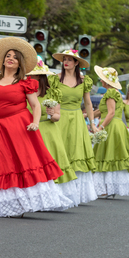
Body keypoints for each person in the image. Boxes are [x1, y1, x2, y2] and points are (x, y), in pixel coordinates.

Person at [0, 37, 72, 217]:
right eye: (8, 55)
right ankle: (9, 204)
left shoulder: (24, 81)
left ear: (19, 63)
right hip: (0, 126)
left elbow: (36, 106)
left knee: (24, 161)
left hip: (21, 124)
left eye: (15, 57)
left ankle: (27, 201)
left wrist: (35, 122)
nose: (11, 58)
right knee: (2, 161)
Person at [26, 58, 78, 207]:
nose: (31, 78)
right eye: (30, 75)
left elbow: (57, 117)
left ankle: (52, 199)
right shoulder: (24, 91)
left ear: (41, 77)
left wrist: (50, 113)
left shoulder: (52, 93)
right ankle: (35, 199)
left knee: (49, 164)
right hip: (30, 132)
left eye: (34, 75)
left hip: (48, 132)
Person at [49, 49, 98, 204]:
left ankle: (73, 193)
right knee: (59, 151)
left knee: (75, 152)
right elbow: (49, 99)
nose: (66, 62)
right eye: (64, 59)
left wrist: (92, 124)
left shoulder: (84, 81)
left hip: (77, 118)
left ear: (76, 63)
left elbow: (88, 103)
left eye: (70, 59)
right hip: (59, 117)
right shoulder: (55, 79)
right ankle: (56, 192)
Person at [93, 66, 129, 197]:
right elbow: (103, 111)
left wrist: (100, 127)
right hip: (116, 125)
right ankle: (110, 188)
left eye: (102, 78)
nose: (100, 80)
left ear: (106, 80)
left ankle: (107, 188)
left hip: (111, 125)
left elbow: (110, 113)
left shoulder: (111, 93)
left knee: (107, 155)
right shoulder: (114, 92)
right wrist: (87, 115)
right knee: (111, 155)